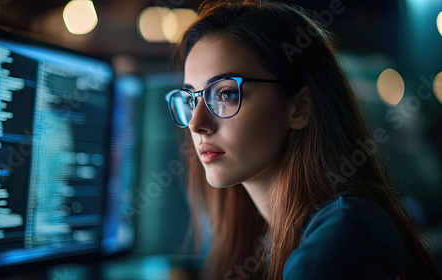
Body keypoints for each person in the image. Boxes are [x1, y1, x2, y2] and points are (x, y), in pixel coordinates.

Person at [164, 0, 440, 279]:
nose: (197, 124)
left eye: (225, 95)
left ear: (300, 108)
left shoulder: (345, 233)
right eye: (190, 98)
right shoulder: (264, 238)